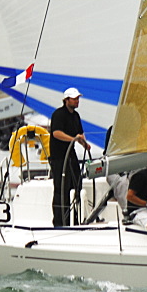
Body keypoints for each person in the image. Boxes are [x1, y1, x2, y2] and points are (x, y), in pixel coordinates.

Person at [49, 87, 89, 226]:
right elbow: (56, 133)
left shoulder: (76, 116)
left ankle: (75, 218)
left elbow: (80, 134)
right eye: (74, 99)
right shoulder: (58, 114)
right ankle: (60, 221)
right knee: (61, 189)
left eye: (78, 99)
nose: (77, 101)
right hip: (59, 157)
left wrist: (84, 144)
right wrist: (73, 138)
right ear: (66, 100)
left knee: (77, 183)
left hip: (71, 155)